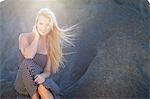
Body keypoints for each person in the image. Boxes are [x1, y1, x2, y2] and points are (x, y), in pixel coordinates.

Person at [14, 8, 75, 99]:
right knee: (26, 63)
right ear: (36, 24)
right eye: (41, 23)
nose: (43, 27)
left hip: (40, 80)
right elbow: (28, 56)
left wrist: (42, 76)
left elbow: (47, 71)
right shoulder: (24, 37)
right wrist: (36, 37)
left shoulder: (51, 44)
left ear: (51, 26)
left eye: (47, 25)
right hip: (23, 83)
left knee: (42, 88)